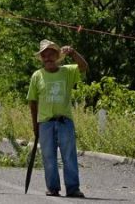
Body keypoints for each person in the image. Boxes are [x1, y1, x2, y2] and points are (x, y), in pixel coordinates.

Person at [27, 40, 89, 198]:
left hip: (64, 121)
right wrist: (35, 125)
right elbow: (32, 101)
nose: (48, 58)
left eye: (51, 54)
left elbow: (84, 67)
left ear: (57, 56)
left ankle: (73, 188)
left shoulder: (67, 71)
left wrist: (73, 53)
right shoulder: (37, 75)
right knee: (48, 157)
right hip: (45, 122)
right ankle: (52, 188)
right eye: (44, 55)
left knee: (69, 155)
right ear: (42, 58)